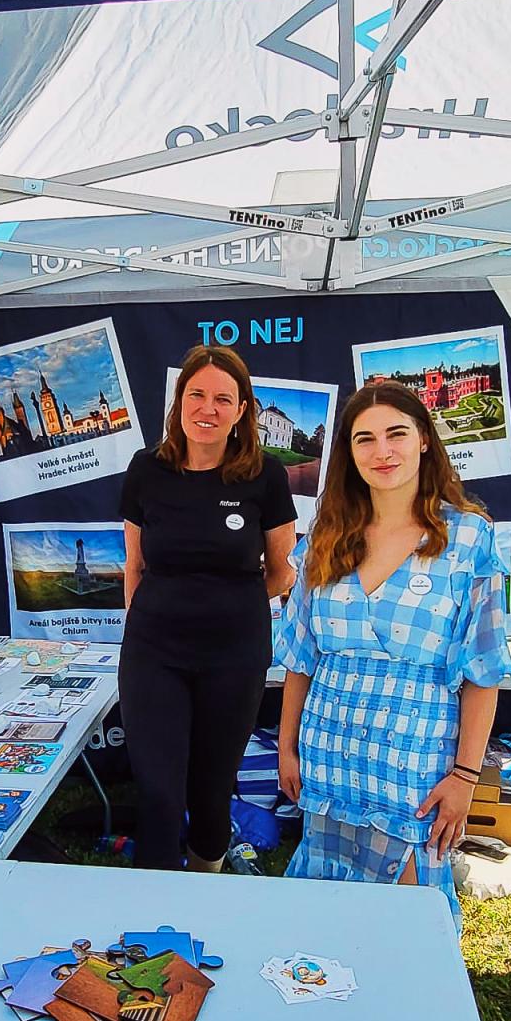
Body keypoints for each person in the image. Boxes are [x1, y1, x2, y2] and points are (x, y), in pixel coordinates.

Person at [276, 379, 511, 928]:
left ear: (424, 439)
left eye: (396, 434)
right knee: (324, 920)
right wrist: (287, 748)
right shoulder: (328, 536)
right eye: (364, 439)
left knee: (408, 923)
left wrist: (465, 776)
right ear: (348, 452)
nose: (382, 451)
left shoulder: (467, 538)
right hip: (329, 753)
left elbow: (483, 671)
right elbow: (300, 658)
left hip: (414, 761)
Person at [120, 344, 296, 871]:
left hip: (234, 655)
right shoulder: (146, 469)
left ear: (242, 410)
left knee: (211, 789)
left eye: (223, 399)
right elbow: (134, 566)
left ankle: (205, 887)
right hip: (155, 653)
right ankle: (154, 904)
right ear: (179, 402)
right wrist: (148, 622)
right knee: (159, 792)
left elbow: (282, 570)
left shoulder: (265, 476)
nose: (208, 409)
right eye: (196, 395)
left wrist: (229, 607)